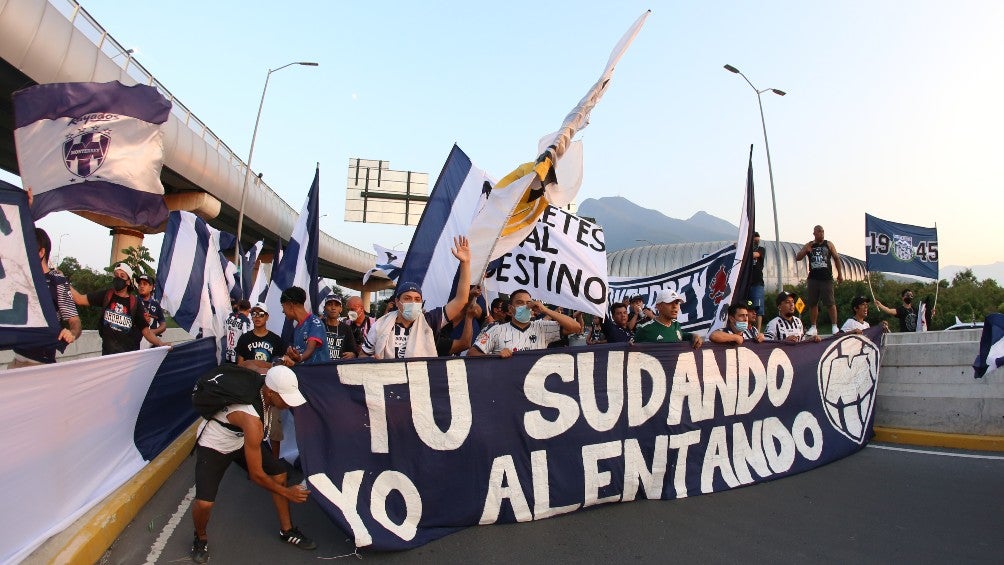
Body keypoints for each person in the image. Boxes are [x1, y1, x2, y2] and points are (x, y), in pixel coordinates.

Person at [190, 366, 315, 563]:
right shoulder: (252, 421)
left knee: (279, 474)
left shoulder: (263, 380)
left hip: (241, 440)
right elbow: (256, 475)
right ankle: (200, 537)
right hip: (215, 444)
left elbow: (249, 364)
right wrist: (287, 493)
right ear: (271, 392)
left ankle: (287, 530)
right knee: (204, 504)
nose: (288, 404)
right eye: (285, 398)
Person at [362, 236, 471, 359]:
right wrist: (370, 362)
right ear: (397, 302)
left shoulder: (430, 321)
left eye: (417, 299)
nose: (413, 302)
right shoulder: (380, 326)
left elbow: (461, 300)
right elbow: (363, 355)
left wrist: (465, 263)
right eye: (407, 298)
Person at [10, 228, 82, 367]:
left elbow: (74, 320)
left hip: (40, 364)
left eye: (28, 249)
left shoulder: (57, 282)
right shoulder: (22, 279)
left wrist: (71, 333)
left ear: (41, 252)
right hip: (16, 361)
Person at [70, 262, 167, 354]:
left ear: (128, 281)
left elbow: (146, 331)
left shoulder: (135, 303)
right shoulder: (107, 295)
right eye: (116, 275)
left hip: (127, 356)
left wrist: (160, 344)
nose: (118, 278)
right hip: (107, 355)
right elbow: (79, 299)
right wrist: (63, 281)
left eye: (122, 276)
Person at [467, 288, 582, 357]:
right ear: (511, 309)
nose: (525, 306)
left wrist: (545, 310)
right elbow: (472, 353)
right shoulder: (496, 330)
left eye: (528, 303)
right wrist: (495, 356)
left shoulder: (542, 327)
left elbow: (576, 327)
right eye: (520, 302)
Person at [235, 303, 287, 455]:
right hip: (251, 389)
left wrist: (259, 366)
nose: (257, 317)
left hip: (270, 388)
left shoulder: (276, 340)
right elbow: (240, 365)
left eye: (261, 314)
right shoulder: (245, 338)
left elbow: (279, 366)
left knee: (274, 428)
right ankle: (252, 461)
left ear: (267, 317)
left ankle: (275, 461)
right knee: (251, 427)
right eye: (254, 314)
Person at [794, 225, 844, 336]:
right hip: (813, 278)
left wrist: (840, 274)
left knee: (830, 302)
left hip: (826, 277)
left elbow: (836, 258)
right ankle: (813, 327)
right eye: (819, 231)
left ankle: (834, 326)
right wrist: (805, 250)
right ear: (814, 233)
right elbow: (798, 257)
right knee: (813, 303)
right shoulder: (809, 244)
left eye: (822, 231)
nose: (822, 233)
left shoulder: (828, 244)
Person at [278, 286, 331, 366]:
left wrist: (300, 358)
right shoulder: (296, 329)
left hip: (320, 371)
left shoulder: (314, 322)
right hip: (305, 372)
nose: (283, 311)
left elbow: (310, 348)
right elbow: (295, 355)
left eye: (283, 306)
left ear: (290, 305)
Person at [633, 289, 703, 348]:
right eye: (670, 302)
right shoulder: (645, 329)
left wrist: (693, 336)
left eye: (677, 303)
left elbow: (680, 335)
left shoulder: (676, 324)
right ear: (658, 306)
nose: (675, 306)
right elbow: (631, 351)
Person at [136, 274, 166, 348]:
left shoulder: (156, 304)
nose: (141, 286)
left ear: (151, 287)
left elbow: (163, 325)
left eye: (145, 284)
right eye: (140, 284)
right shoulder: (133, 301)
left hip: (152, 344)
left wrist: (153, 331)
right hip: (136, 342)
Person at [747, 231, 766, 332]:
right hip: (747, 284)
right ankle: (748, 329)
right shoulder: (747, 248)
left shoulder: (761, 249)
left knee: (758, 307)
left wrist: (744, 250)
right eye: (755, 240)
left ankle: (758, 331)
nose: (757, 242)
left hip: (757, 284)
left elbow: (756, 254)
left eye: (758, 240)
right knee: (748, 306)